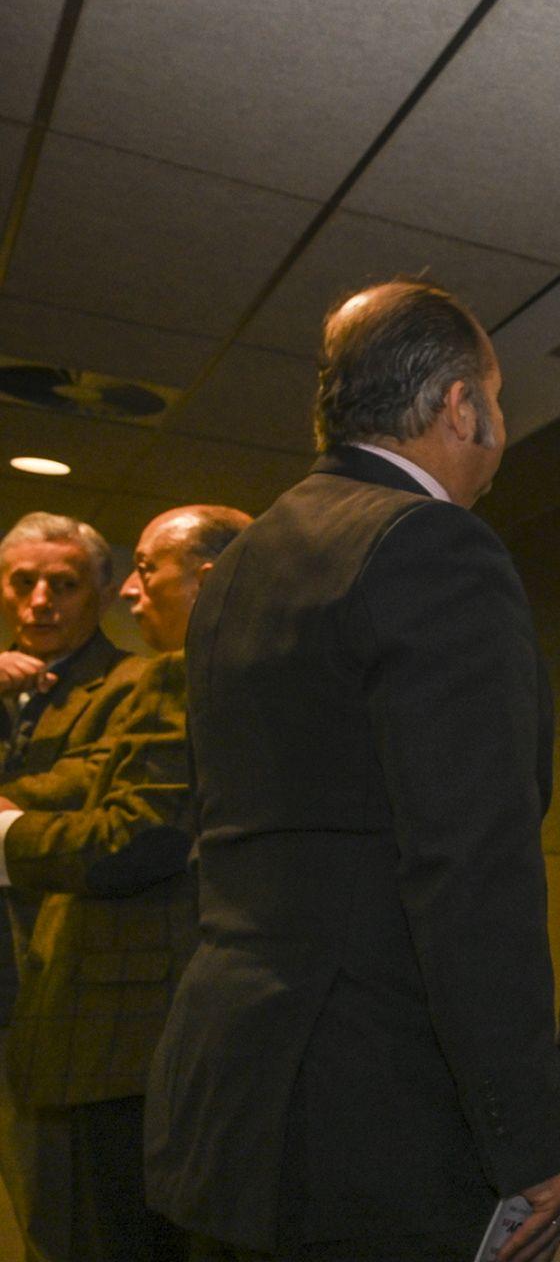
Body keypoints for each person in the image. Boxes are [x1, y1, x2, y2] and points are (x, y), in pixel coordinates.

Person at [144, 281, 560, 1261]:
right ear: (460, 406)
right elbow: (472, 870)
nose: (501, 426)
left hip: (230, 1087)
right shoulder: (433, 546)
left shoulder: (241, 561)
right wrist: (532, 1138)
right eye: (501, 399)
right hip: (371, 1111)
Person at [0, 505, 249, 1262]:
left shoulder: (173, 672)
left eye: (144, 570)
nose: (136, 594)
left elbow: (133, 834)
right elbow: (82, 781)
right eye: (22, 582)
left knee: (98, 1229)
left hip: (120, 1011)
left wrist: (6, 829)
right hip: (102, 1008)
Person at [0, 512, 145, 1261]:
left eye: (63, 584)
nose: (39, 602)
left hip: (65, 978)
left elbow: (94, 799)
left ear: (101, 593)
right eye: (23, 583)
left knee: (64, 1214)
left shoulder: (131, 682)